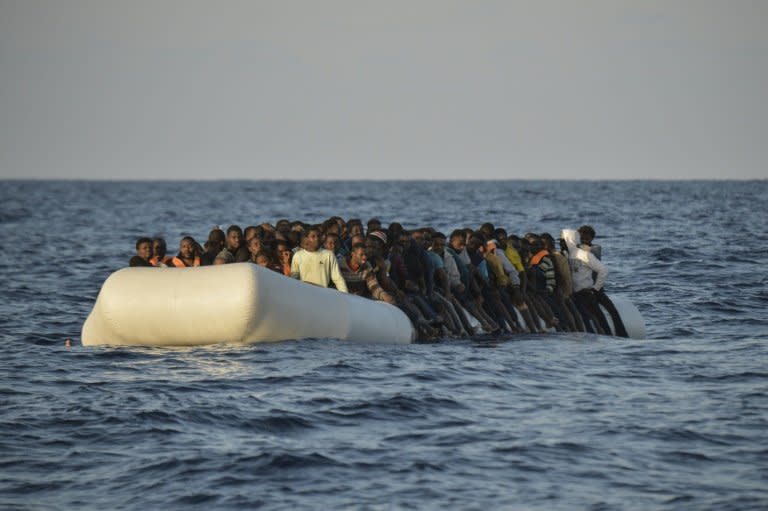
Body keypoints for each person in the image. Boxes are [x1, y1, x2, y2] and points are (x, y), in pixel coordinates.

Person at [576, 225, 628, 337]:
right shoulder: (576, 250)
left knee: (612, 310)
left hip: (596, 288)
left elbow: (590, 251)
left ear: (592, 238)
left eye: (587, 236)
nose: (584, 238)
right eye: (582, 236)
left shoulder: (595, 249)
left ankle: (621, 333)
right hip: (583, 288)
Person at [561, 228, 612, 334]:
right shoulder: (566, 255)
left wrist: (595, 289)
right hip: (575, 295)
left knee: (597, 319)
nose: (561, 243)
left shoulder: (584, 254)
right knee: (590, 318)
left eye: (563, 241)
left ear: (569, 240)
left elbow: (603, 270)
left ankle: (605, 338)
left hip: (587, 293)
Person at [290, 226, 348, 292]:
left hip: (322, 294)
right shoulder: (298, 255)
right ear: (307, 239)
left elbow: (337, 278)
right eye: (313, 236)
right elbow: (294, 277)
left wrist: (345, 295)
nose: (316, 239)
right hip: (304, 293)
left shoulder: (328, 255)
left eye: (318, 236)